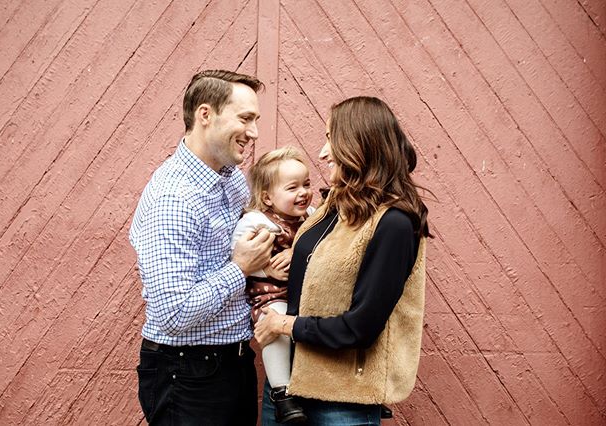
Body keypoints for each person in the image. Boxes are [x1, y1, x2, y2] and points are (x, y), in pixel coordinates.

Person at [255, 96, 432, 425]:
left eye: (330, 140)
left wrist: (283, 325)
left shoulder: (394, 222)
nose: (322, 154)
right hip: (286, 393)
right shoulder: (332, 206)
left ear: (358, 145)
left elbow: (360, 327)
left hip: (341, 401)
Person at [129, 69, 276, 425]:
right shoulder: (174, 199)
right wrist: (239, 267)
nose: (254, 132)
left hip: (232, 362)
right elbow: (174, 315)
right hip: (188, 374)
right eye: (245, 119)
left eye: (255, 120)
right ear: (205, 115)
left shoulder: (231, 181)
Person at [231, 146, 314, 423]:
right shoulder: (258, 221)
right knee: (274, 326)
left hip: (303, 295)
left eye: (306, 184)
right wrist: (265, 266)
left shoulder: (310, 217)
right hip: (270, 295)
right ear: (267, 197)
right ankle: (282, 393)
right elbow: (236, 253)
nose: (303, 192)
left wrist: (298, 250)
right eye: (293, 188)